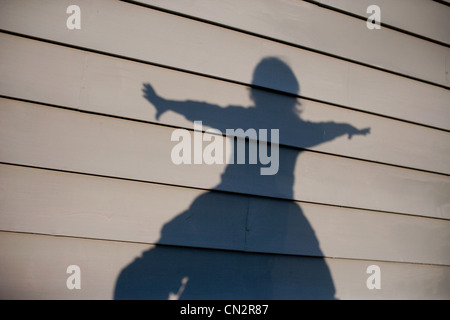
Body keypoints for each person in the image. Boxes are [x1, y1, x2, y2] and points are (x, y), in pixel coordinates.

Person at [114, 57, 370, 299]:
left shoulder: (250, 118)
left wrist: (167, 103)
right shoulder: (291, 126)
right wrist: (349, 129)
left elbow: (207, 111)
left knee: (221, 259)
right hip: (268, 209)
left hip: (242, 202)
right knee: (255, 272)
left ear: (255, 91)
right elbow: (326, 129)